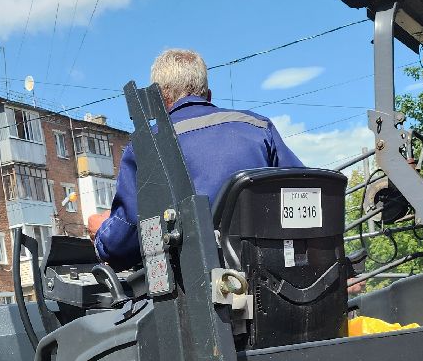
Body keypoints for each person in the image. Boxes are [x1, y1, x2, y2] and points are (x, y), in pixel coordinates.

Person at [92, 48, 304, 268]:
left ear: (159, 98)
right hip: (273, 281)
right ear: (208, 95)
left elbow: (123, 243)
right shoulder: (259, 127)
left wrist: (102, 234)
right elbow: (309, 193)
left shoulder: (144, 146)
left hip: (196, 292)